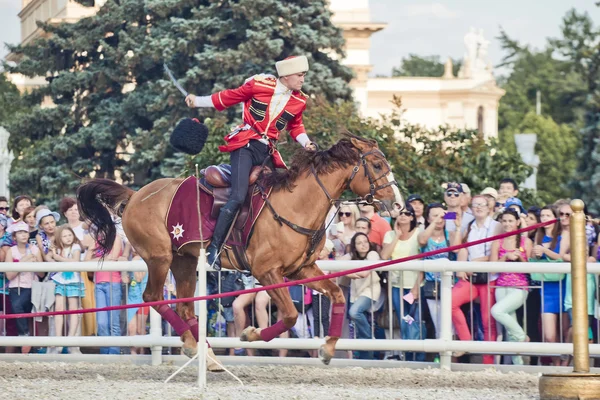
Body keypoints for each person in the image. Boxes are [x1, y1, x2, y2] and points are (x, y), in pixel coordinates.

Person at [185, 55, 317, 270]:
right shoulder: (259, 85)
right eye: (300, 75)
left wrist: (307, 143)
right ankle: (214, 248)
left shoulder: (299, 100)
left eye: (304, 75)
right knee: (238, 195)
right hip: (245, 144)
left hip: (268, 151)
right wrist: (197, 100)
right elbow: (229, 97)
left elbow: (296, 127)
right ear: (286, 75)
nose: (303, 79)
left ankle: (264, 246)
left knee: (283, 194)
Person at [451, 195, 501, 364]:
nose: (478, 207)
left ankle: (488, 362)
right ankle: (465, 340)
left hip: (489, 277)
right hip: (471, 276)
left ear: (489, 207)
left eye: (482, 205)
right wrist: (461, 266)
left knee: (488, 321)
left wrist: (473, 263)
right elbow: (462, 248)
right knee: (450, 302)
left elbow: (495, 254)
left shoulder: (497, 226)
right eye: (475, 205)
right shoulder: (469, 226)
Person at [380, 203, 426, 361]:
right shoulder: (389, 234)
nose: (403, 216)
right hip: (396, 287)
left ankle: (418, 356)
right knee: (404, 319)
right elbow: (385, 256)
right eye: (401, 213)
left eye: (407, 213)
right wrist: (397, 236)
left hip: (414, 287)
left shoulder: (419, 233)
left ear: (413, 217)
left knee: (414, 321)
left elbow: (423, 262)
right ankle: (408, 354)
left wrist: (415, 288)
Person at [490, 209, 532, 365]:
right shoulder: (497, 242)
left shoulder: (525, 242)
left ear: (517, 222)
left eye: (510, 221)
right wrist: (505, 257)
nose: (507, 224)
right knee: (509, 331)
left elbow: (530, 269)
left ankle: (522, 337)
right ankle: (518, 366)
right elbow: (493, 268)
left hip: (520, 286)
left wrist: (520, 257)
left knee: (497, 311)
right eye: (504, 221)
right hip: (501, 286)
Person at [339, 233, 381, 359]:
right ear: (354, 246)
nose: (363, 245)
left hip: (370, 290)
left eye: (365, 241)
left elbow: (365, 273)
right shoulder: (353, 256)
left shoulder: (372, 254)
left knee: (354, 312)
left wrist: (348, 273)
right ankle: (366, 357)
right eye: (359, 243)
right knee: (356, 326)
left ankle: (368, 339)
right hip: (355, 293)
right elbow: (336, 265)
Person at [5, 221, 44, 353]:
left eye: (25, 232)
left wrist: (35, 263)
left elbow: (42, 273)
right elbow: (9, 275)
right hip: (16, 287)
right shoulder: (11, 251)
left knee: (30, 316)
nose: (23, 235)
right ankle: (24, 337)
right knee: (17, 308)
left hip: (33, 286)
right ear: (14, 236)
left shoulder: (35, 249)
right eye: (20, 232)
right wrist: (24, 262)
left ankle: (30, 346)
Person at [49, 225, 84, 354]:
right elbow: (48, 257)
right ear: (60, 238)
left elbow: (74, 260)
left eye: (70, 235)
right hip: (60, 280)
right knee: (59, 308)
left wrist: (58, 258)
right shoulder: (58, 249)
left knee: (73, 310)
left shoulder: (75, 247)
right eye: (64, 236)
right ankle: (58, 340)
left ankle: (70, 340)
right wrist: (52, 254)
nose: (68, 238)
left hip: (74, 280)